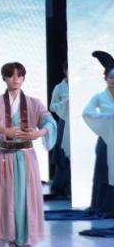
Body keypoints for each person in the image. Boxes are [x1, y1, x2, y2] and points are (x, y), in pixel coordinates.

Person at [0, 61, 57, 247]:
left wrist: (39, 132)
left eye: (19, 75)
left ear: (23, 78)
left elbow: (49, 122)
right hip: (5, 156)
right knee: (5, 199)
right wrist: (3, 130)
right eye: (10, 75)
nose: (15, 79)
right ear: (4, 78)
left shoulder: (34, 102)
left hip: (26, 157)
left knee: (27, 199)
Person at [81, 51, 114, 218]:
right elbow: (87, 113)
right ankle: (101, 205)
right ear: (106, 79)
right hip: (106, 138)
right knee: (103, 171)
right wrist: (107, 118)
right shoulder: (100, 97)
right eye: (111, 77)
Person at [48, 61, 72, 199]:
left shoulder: (80, 87)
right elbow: (52, 106)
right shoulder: (59, 87)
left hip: (77, 123)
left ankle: (73, 188)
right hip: (64, 122)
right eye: (69, 69)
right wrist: (65, 103)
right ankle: (61, 188)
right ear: (65, 71)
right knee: (63, 155)